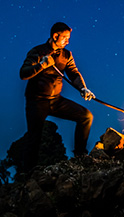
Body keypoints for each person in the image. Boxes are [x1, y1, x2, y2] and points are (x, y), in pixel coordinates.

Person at [19, 22, 95, 173]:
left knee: (86, 116)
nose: (68, 41)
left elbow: (73, 73)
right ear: (55, 36)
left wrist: (83, 88)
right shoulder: (37, 52)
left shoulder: (66, 55)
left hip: (56, 101)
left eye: (68, 38)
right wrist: (41, 65)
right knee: (34, 138)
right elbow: (23, 73)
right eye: (65, 38)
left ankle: (80, 157)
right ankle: (27, 176)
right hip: (37, 102)